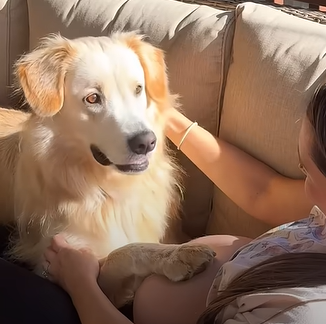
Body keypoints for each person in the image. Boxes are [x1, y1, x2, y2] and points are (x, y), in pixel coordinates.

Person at [1, 83, 326, 324]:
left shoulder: (298, 315)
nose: (303, 187)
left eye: (306, 172)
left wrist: (80, 285)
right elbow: (263, 192)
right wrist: (165, 116)